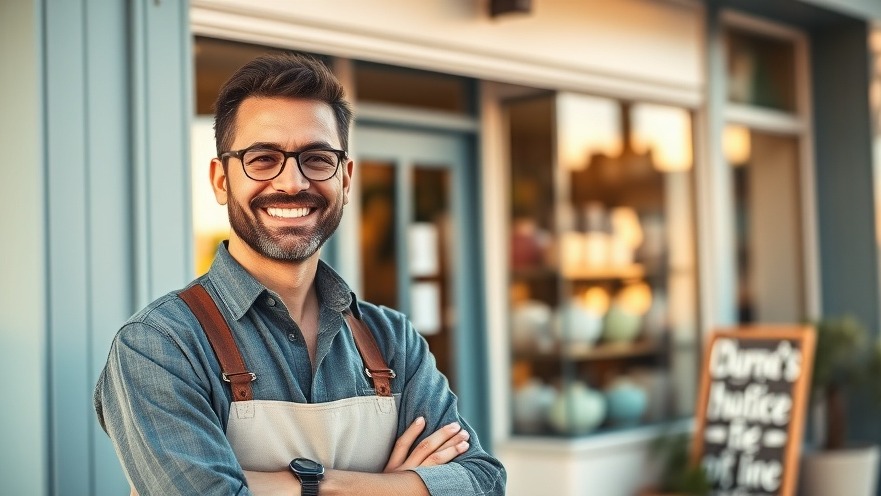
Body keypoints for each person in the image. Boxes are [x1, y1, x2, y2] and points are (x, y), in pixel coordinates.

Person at [94, 53, 506, 496]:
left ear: (345, 180)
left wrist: (314, 485)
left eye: (316, 158)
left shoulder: (392, 340)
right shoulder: (162, 344)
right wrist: (392, 485)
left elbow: (481, 481)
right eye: (263, 158)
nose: (292, 182)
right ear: (220, 180)